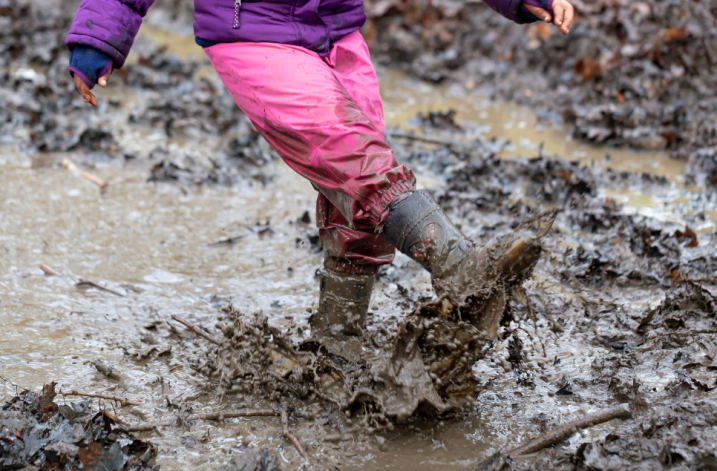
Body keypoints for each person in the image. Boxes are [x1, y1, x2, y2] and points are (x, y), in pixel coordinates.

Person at [65, 0, 574, 354]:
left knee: (358, 191)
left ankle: (337, 351)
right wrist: (99, 38)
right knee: (352, 154)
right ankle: (461, 267)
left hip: (336, 33)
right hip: (250, 31)